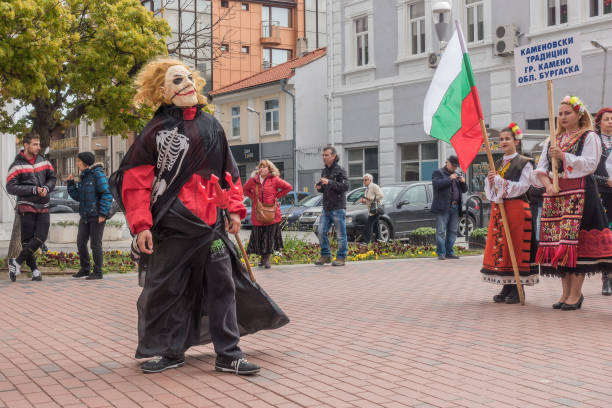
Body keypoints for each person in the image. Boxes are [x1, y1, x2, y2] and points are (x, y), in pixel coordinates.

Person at [109, 58, 288, 374]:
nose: (187, 84)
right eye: (177, 80)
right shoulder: (153, 131)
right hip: (170, 228)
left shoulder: (211, 126)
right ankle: (171, 351)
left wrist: (234, 208)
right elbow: (136, 184)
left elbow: (228, 173)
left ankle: (229, 354)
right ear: (163, 91)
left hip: (210, 227)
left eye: (189, 77)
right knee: (171, 291)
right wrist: (141, 226)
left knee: (223, 287)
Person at [532, 95, 612, 310]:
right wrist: (547, 184)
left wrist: (564, 156)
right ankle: (565, 292)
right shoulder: (552, 139)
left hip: (581, 193)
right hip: (556, 195)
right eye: (560, 113)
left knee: (575, 244)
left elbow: (590, 164)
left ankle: (575, 294)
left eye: (568, 113)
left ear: (579, 114)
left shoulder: (589, 136)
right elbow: (540, 168)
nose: (563, 117)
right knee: (560, 245)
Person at [481, 124, 539, 304]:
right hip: (500, 210)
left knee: (515, 247)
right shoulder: (497, 163)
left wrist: (500, 181)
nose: (504, 142)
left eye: (507, 139)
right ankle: (507, 284)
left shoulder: (524, 162)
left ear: (516, 141)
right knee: (503, 248)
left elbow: (524, 186)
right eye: (501, 139)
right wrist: (491, 183)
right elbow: (491, 191)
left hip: (517, 209)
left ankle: (517, 287)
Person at [6, 133, 56, 282]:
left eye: (39, 144)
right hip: (26, 205)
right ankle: (34, 270)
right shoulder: (16, 165)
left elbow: (52, 178)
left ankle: (16, 262)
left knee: (41, 237)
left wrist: (46, 188)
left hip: (44, 204)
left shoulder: (44, 161)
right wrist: (32, 190)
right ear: (26, 145)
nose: (38, 147)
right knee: (27, 240)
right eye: (35, 144)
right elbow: (11, 187)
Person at [67, 152, 113, 280]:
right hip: (85, 216)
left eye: (78, 161)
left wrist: (103, 213)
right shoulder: (84, 176)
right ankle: (85, 269)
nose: (77, 164)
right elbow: (78, 197)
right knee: (81, 242)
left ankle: (98, 272)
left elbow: (107, 194)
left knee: (95, 244)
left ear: (85, 163)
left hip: (97, 215)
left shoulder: (97, 174)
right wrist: (71, 184)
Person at [243, 160, 292, 269]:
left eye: (264, 167)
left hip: (272, 213)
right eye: (260, 167)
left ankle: (266, 260)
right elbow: (245, 190)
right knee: (259, 236)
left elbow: (288, 187)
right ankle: (262, 258)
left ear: (269, 169)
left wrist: (277, 195)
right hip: (258, 214)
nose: (261, 169)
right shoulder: (253, 181)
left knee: (270, 237)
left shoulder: (274, 179)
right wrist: (254, 198)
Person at [314, 146, 349, 266]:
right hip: (326, 207)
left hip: (338, 207)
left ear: (333, 156)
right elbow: (326, 189)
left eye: (326, 155)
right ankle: (325, 255)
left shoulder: (340, 170)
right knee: (321, 231)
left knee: (340, 234)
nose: (324, 157)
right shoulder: (324, 171)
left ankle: (341, 257)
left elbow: (345, 187)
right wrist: (320, 188)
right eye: (323, 155)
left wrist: (329, 182)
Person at [431, 155, 467, 260]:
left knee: (453, 230)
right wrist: (449, 179)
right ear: (447, 162)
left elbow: (464, 190)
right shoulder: (438, 173)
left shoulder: (456, 174)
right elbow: (436, 184)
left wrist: (463, 182)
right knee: (441, 231)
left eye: (456, 166)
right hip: (443, 207)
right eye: (453, 165)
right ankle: (441, 253)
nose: (455, 168)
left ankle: (449, 252)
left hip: (455, 206)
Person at [593, 107, 612, 296]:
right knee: (606, 237)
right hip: (603, 193)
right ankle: (607, 278)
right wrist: (604, 181)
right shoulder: (595, 142)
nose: (611, 122)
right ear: (599, 122)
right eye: (607, 119)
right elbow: (590, 169)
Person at [360, 173, 383, 243]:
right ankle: (379, 239)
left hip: (375, 209)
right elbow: (368, 200)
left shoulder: (374, 186)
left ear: (370, 180)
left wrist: (371, 199)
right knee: (376, 225)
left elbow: (380, 195)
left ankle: (367, 241)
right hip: (371, 210)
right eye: (363, 180)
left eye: (365, 180)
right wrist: (364, 201)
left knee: (368, 225)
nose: (364, 181)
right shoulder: (367, 189)